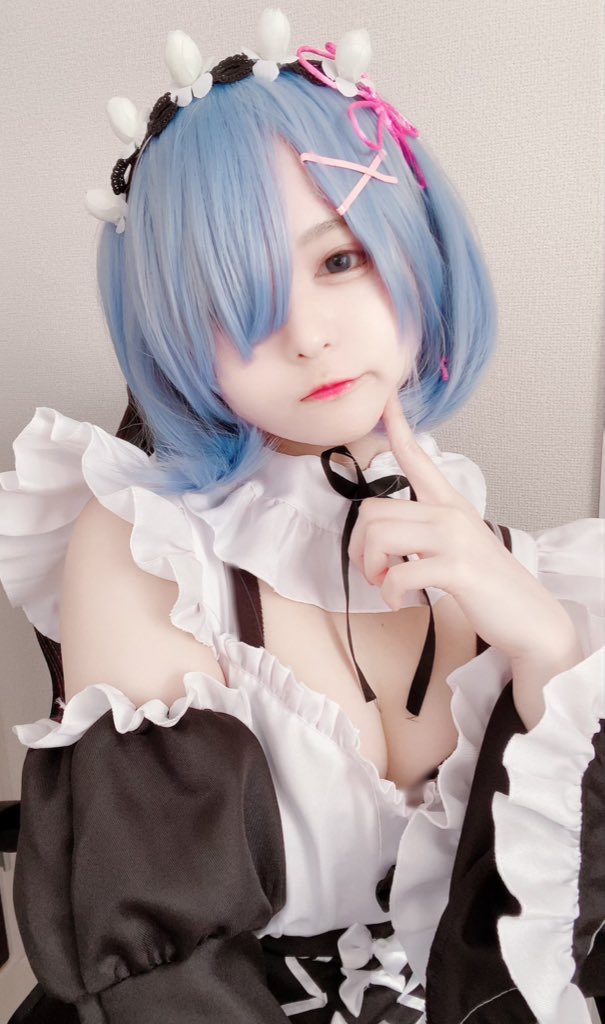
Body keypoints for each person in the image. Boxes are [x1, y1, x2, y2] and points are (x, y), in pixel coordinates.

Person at [0, 9, 603, 1023]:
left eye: (337, 261)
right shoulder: (150, 550)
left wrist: (545, 649)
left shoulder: (516, 566)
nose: (308, 336)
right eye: (235, 298)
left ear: (411, 248)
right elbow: (162, 973)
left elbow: (552, 955)